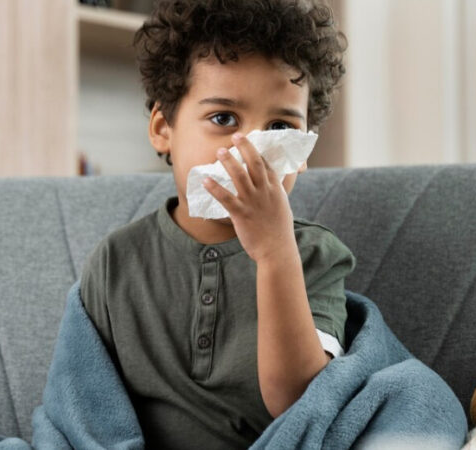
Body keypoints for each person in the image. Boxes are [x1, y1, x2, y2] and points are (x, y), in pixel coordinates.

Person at [78, 0, 353, 447]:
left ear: (302, 152)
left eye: (280, 128)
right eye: (223, 119)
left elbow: (302, 402)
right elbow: (87, 407)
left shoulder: (313, 257)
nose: (250, 150)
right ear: (163, 127)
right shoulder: (117, 262)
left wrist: (275, 253)